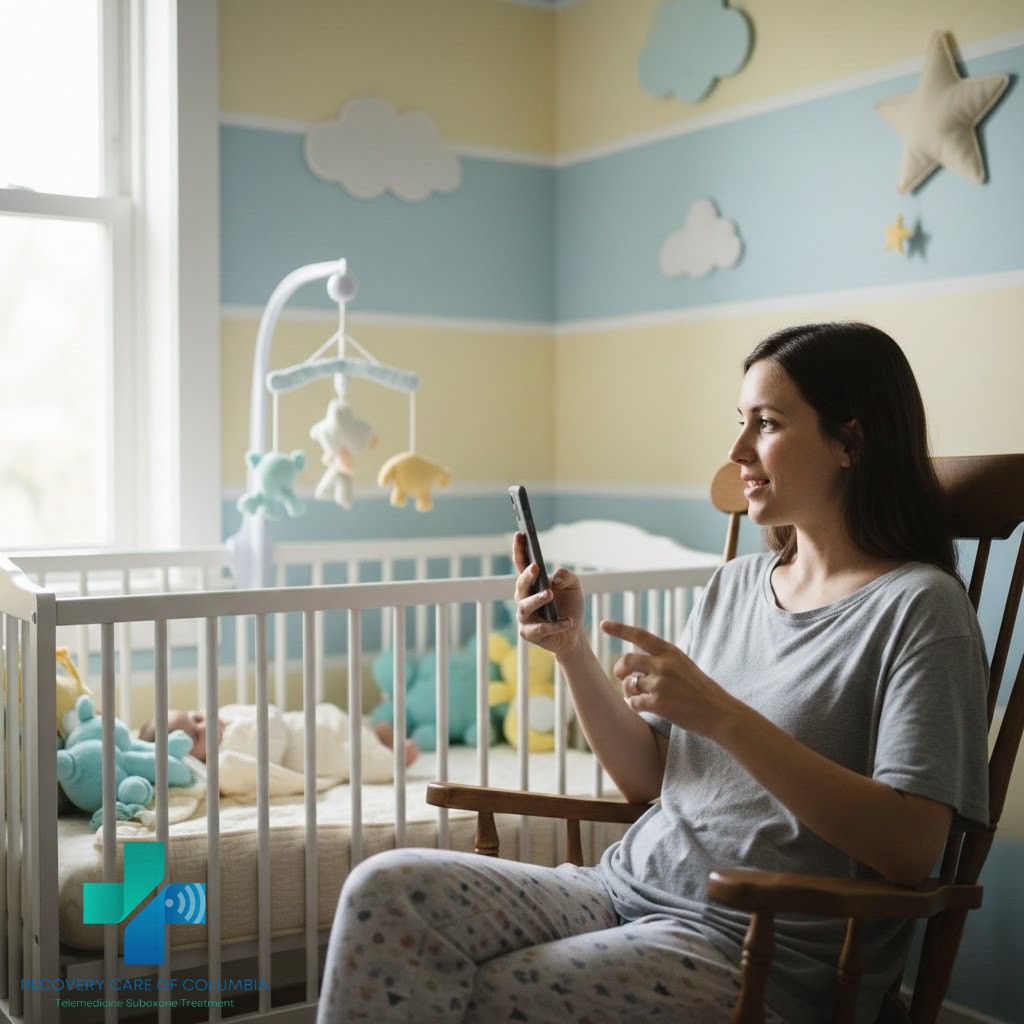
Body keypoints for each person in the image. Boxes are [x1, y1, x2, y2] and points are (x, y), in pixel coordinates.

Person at [318, 323, 989, 1023]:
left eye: (766, 424)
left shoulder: (920, 608)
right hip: (623, 890)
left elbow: (910, 848)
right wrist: (571, 650)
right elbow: (649, 780)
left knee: (491, 991)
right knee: (385, 890)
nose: (737, 451)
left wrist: (724, 717)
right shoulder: (737, 584)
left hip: (752, 951)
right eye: (740, 422)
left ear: (849, 441)